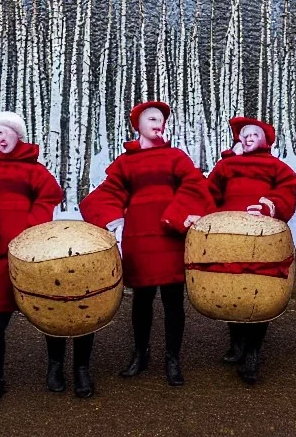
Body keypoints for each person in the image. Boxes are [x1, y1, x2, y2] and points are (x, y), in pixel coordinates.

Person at [0, 112, 91, 403]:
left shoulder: (34, 170)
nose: (1, 138)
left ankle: (54, 368)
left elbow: (49, 195)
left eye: (5, 133)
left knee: (50, 311)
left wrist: (30, 232)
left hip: (30, 255)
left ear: (18, 134)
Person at [80, 101, 212, 386]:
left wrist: (176, 216)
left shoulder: (177, 157)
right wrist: (114, 219)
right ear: (137, 125)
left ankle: (172, 359)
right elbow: (106, 193)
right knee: (141, 300)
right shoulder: (126, 162)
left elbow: (195, 186)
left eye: (161, 119)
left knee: (173, 300)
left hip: (171, 237)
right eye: (151, 118)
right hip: (139, 237)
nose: (158, 122)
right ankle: (140, 354)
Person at [206, 117, 296, 384]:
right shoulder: (225, 166)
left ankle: (253, 352)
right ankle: (236, 343)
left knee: (260, 288)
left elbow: (286, 192)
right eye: (243, 134)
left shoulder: (277, 167)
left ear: (266, 140)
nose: (247, 138)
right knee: (232, 285)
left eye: (253, 134)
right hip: (229, 235)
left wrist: (271, 206)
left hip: (263, 238)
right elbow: (210, 192)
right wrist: (210, 217)